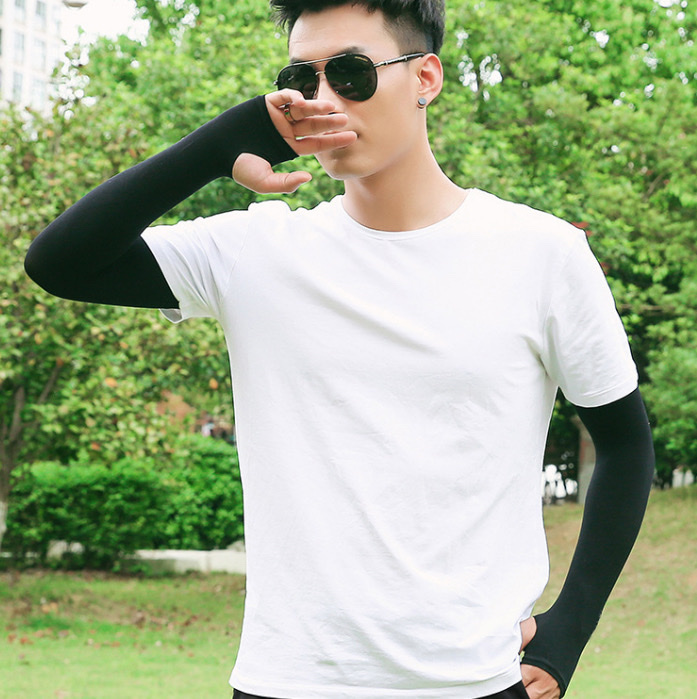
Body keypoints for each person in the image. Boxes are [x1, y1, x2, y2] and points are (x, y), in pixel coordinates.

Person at [24, 1, 655, 697]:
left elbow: (626, 446)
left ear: (425, 78)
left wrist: (568, 631)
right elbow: (60, 262)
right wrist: (221, 142)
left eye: (351, 73)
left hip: (474, 680)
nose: (321, 99)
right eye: (301, 79)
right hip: (285, 682)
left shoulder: (541, 254)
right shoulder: (255, 251)